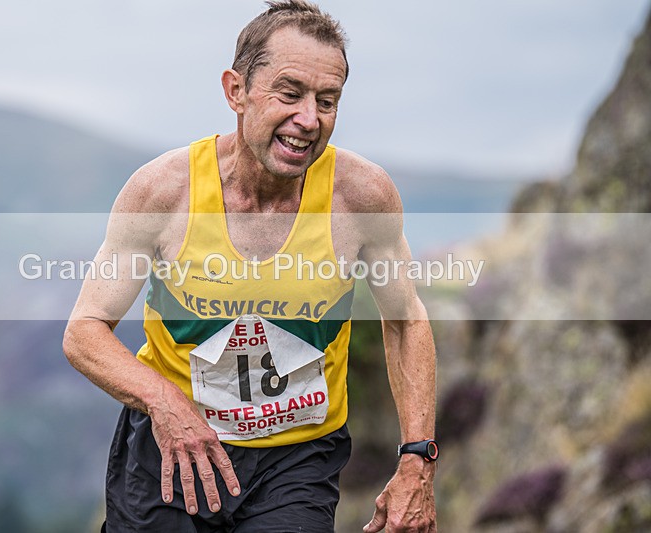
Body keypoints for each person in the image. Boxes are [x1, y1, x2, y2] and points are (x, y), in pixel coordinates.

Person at [63, 1, 437, 531]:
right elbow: (84, 331)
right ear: (235, 91)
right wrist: (164, 404)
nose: (309, 119)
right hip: (173, 450)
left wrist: (417, 460)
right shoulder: (164, 191)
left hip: (296, 461)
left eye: (326, 101)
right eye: (290, 93)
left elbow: (405, 319)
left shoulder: (361, 196)